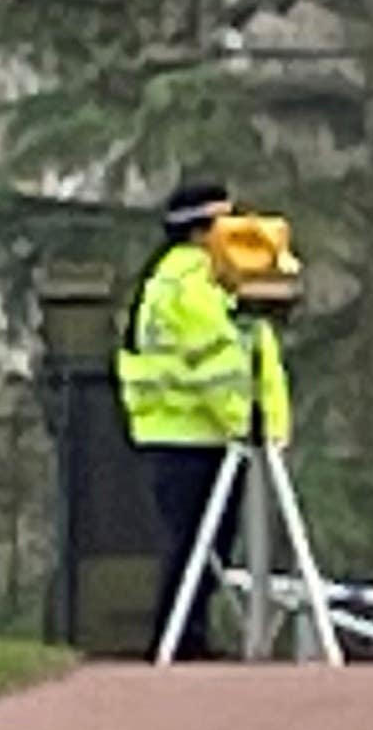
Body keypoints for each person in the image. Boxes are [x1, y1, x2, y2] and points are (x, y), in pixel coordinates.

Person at [115, 176, 293, 659]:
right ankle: (181, 642)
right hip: (198, 434)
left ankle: (185, 638)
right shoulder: (195, 283)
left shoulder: (173, 277)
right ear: (202, 230)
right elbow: (218, 367)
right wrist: (253, 426)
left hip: (180, 431)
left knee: (198, 546)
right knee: (198, 548)